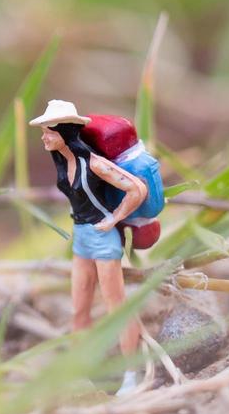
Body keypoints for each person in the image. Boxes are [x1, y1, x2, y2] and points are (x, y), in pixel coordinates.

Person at [29, 100, 149, 396]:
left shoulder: (94, 163)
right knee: (79, 307)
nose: (44, 137)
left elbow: (136, 189)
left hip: (101, 235)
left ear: (65, 132)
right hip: (81, 235)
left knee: (115, 306)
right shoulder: (62, 161)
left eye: (48, 131)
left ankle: (131, 376)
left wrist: (115, 219)